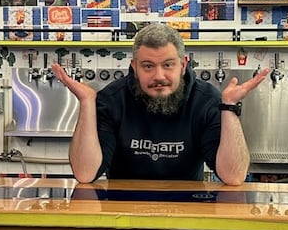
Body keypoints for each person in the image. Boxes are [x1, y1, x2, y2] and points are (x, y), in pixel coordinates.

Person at [52, 23, 270, 184]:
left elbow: (233, 176)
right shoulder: (111, 99)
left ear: (183, 65)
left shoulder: (206, 100)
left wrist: (229, 107)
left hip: (188, 210)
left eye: (168, 65)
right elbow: (85, 173)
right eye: (148, 66)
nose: (159, 75)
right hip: (120, 210)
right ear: (134, 66)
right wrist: (87, 102)